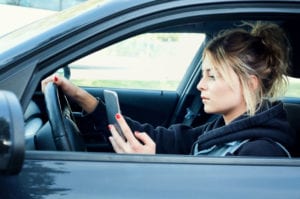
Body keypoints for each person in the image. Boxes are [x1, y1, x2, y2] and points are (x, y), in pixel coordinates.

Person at [42, 21, 297, 157]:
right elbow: (157, 137)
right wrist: (82, 98)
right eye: (202, 74)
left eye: (213, 76)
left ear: (249, 84)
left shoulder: (261, 151)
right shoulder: (219, 130)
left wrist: (150, 170)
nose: (200, 85)